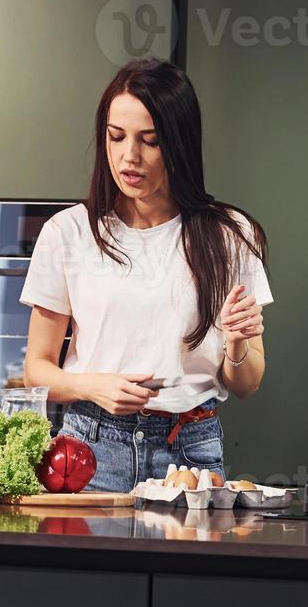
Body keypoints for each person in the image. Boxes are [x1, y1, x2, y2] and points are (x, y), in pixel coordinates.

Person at [19, 58, 271, 491]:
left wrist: (236, 343)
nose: (128, 156)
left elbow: (246, 383)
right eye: (116, 137)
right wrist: (91, 386)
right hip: (87, 450)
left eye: (149, 141)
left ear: (179, 144)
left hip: (189, 452)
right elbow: (36, 371)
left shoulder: (229, 234)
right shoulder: (69, 232)